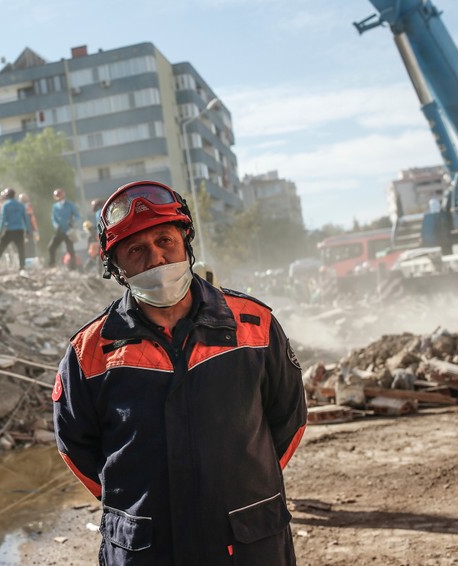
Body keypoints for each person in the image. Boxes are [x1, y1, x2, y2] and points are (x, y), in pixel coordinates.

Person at [53, 180, 307, 565]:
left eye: (164, 241)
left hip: (248, 543)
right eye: (136, 249)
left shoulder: (254, 324)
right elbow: (76, 446)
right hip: (146, 550)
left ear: (185, 242)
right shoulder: (90, 352)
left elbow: (289, 417)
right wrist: (138, 499)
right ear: (116, 267)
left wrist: (240, 483)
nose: (155, 258)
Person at [0, 187, 32, 272]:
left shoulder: (5, 205)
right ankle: (22, 266)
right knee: (21, 249)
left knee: (1, 248)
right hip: (19, 230)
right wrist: (27, 231)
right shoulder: (21, 205)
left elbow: (3, 220)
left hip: (10, 230)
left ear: (7, 196)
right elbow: (25, 219)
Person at [47, 188, 81, 269]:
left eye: (60, 195)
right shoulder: (55, 207)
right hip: (59, 231)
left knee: (70, 251)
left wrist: (72, 222)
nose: (58, 197)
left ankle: (73, 268)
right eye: (57, 196)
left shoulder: (70, 205)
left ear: (63, 194)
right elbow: (54, 218)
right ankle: (52, 265)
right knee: (51, 247)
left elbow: (77, 216)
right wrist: (56, 226)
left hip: (69, 231)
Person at [18, 192, 40, 261]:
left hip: (28, 229)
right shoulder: (19, 207)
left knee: (30, 245)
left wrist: (36, 230)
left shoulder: (28, 206)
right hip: (20, 229)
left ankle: (31, 259)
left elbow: (33, 220)